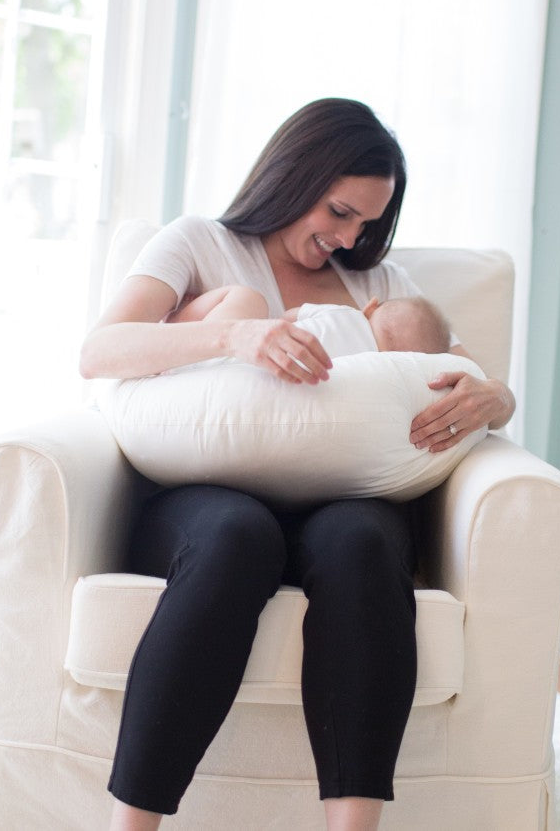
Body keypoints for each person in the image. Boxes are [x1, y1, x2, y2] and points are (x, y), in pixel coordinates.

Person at [80, 97, 515, 831]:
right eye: (339, 212)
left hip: (343, 501)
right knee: (235, 538)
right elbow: (100, 351)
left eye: (367, 225)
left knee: (364, 543)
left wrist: (495, 399)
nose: (347, 238)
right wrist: (235, 338)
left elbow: (471, 377)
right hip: (204, 500)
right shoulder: (197, 244)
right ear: (294, 174)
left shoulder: (380, 288)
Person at [165, 283, 451, 359]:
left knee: (248, 298)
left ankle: (178, 322)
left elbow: (289, 317)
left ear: (371, 307)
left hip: (225, 356)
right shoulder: (384, 376)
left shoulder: (344, 314)